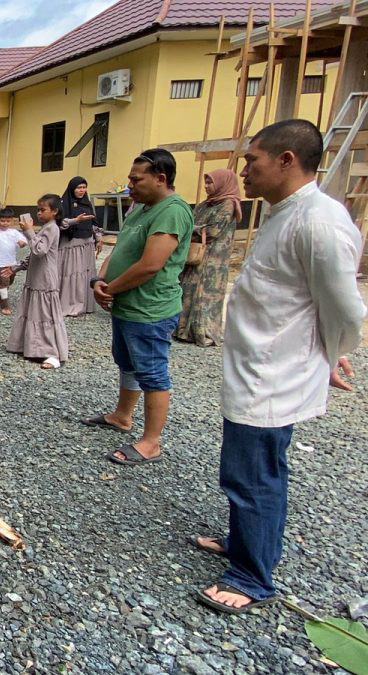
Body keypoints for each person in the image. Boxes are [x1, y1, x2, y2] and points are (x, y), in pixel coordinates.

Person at [194, 120, 365, 614]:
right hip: (257, 365)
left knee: (255, 475)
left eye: (253, 160)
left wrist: (331, 354)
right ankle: (244, 540)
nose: (243, 170)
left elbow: (345, 310)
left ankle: (252, 576)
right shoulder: (284, 213)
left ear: (287, 160)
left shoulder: (320, 221)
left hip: (275, 373)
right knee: (246, 469)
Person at [84, 149, 193, 466]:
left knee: (152, 373)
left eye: (136, 178)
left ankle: (151, 442)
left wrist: (110, 289)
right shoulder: (142, 208)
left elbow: (151, 265)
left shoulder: (172, 211)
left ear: (161, 178)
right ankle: (122, 416)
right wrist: (99, 281)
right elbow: (120, 247)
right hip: (126, 305)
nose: (129, 184)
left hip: (151, 310)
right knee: (128, 363)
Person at [174, 169, 242, 346]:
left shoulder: (227, 205)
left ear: (222, 183)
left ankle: (202, 332)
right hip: (196, 255)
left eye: (210, 182)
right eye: (206, 182)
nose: (206, 186)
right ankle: (183, 330)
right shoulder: (206, 204)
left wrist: (194, 229)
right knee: (188, 290)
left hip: (213, 260)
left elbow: (212, 230)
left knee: (204, 295)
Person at [5, 196, 70, 368]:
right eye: (38, 209)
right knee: (33, 312)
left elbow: (40, 250)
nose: (39, 213)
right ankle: (31, 346)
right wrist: (17, 268)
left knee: (45, 315)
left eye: (43, 210)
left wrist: (29, 231)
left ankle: (53, 353)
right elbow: (34, 255)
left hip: (45, 279)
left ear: (54, 211)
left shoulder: (52, 229)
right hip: (35, 277)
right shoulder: (45, 228)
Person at [58, 177, 102, 317]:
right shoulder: (64, 203)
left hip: (87, 243)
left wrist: (99, 239)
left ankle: (84, 304)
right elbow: (59, 223)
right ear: (72, 188)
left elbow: (94, 222)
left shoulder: (87, 204)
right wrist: (75, 221)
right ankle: (70, 305)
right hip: (72, 244)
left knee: (84, 274)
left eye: (84, 187)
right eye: (78, 187)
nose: (82, 190)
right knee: (72, 274)